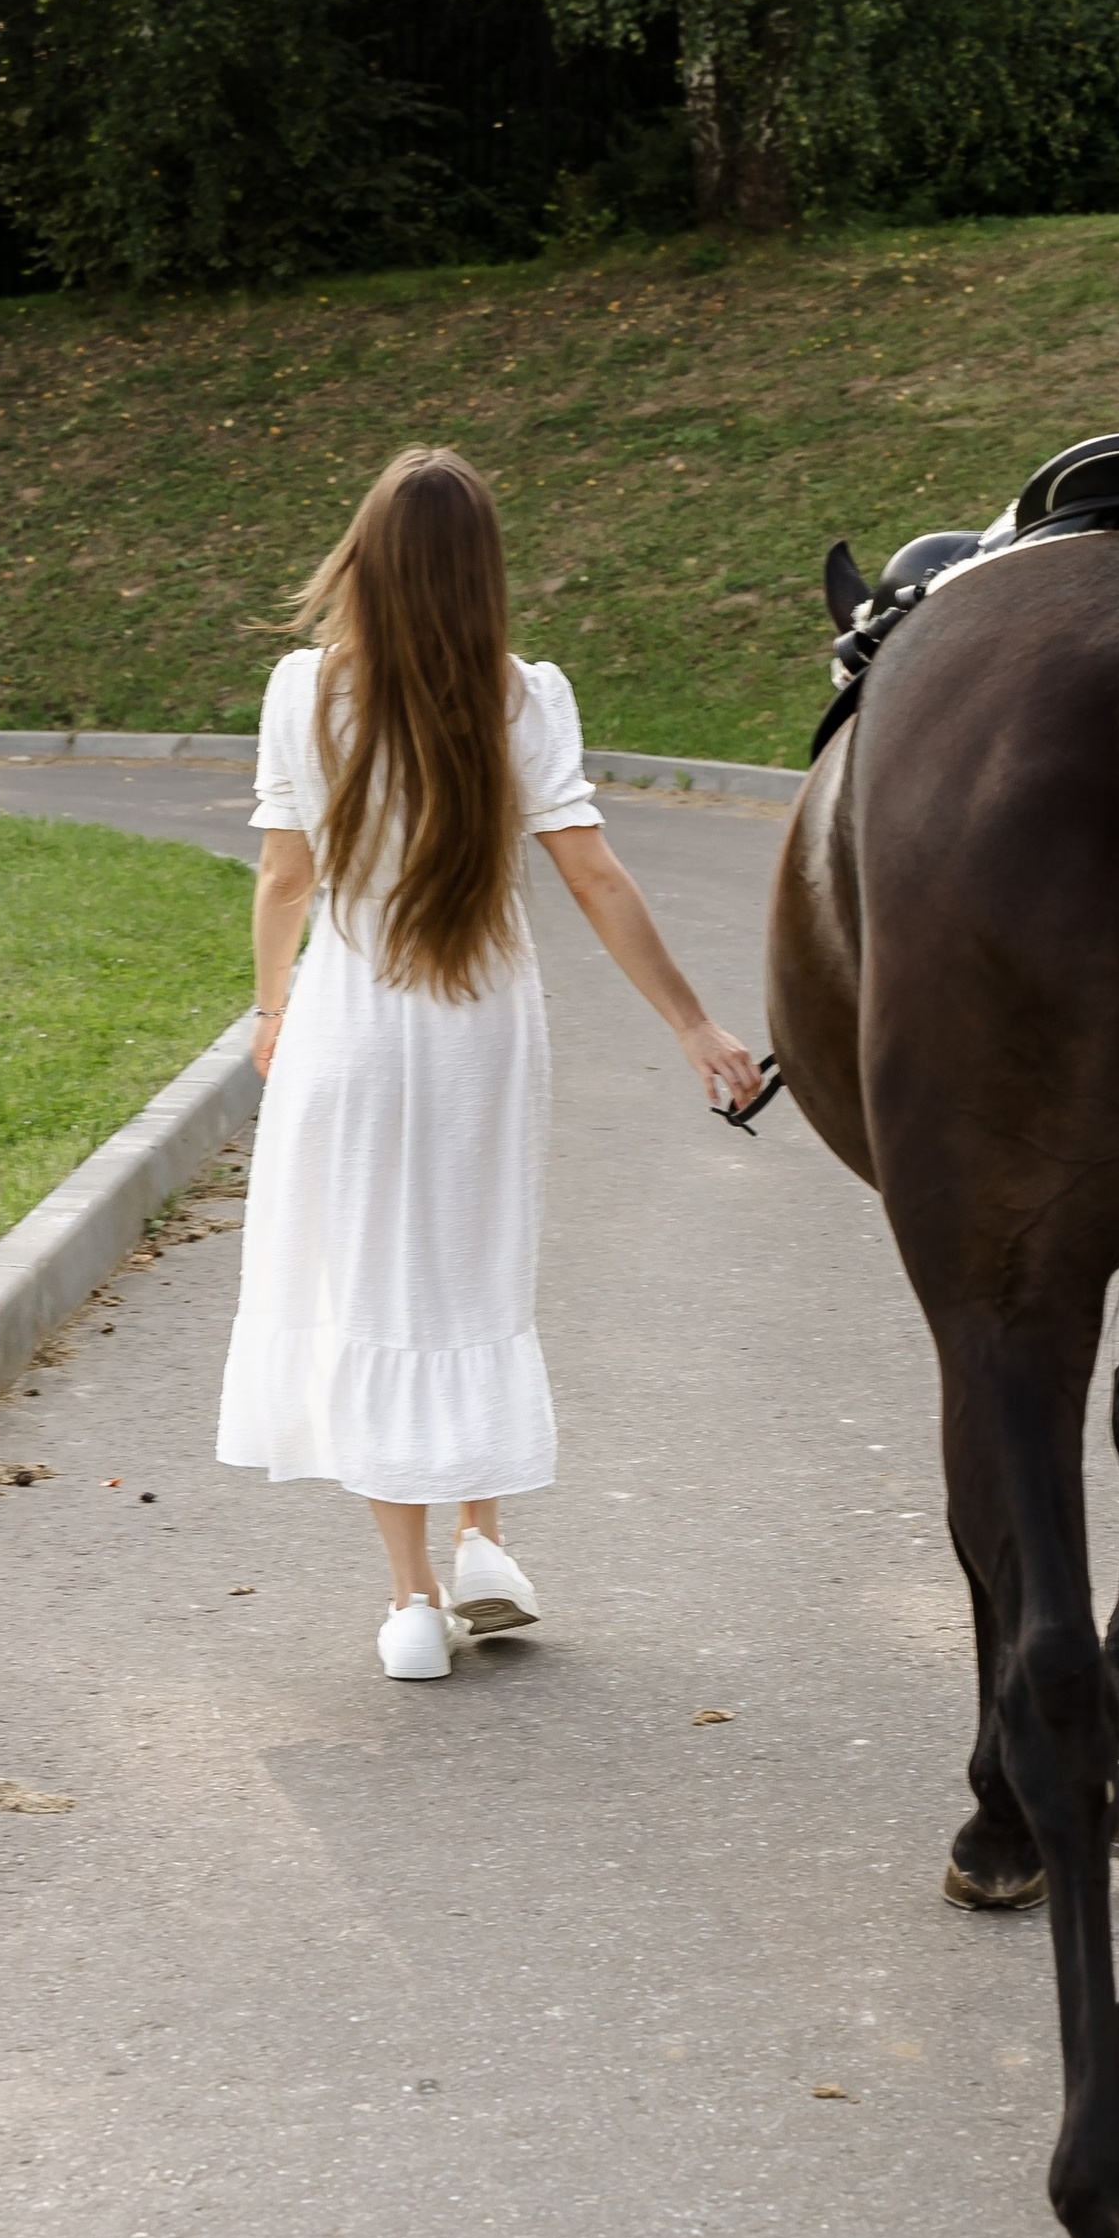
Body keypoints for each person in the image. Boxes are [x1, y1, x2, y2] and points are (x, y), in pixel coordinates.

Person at [216, 447, 764, 1679]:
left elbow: (285, 876)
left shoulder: (304, 690)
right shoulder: (524, 695)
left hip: (350, 1022)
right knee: (470, 1278)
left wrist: (268, 1009)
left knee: (375, 1285)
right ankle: (483, 1543)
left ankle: (412, 1603)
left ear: (363, 556)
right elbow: (593, 875)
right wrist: (691, 1022)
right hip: (482, 1030)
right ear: (482, 572)